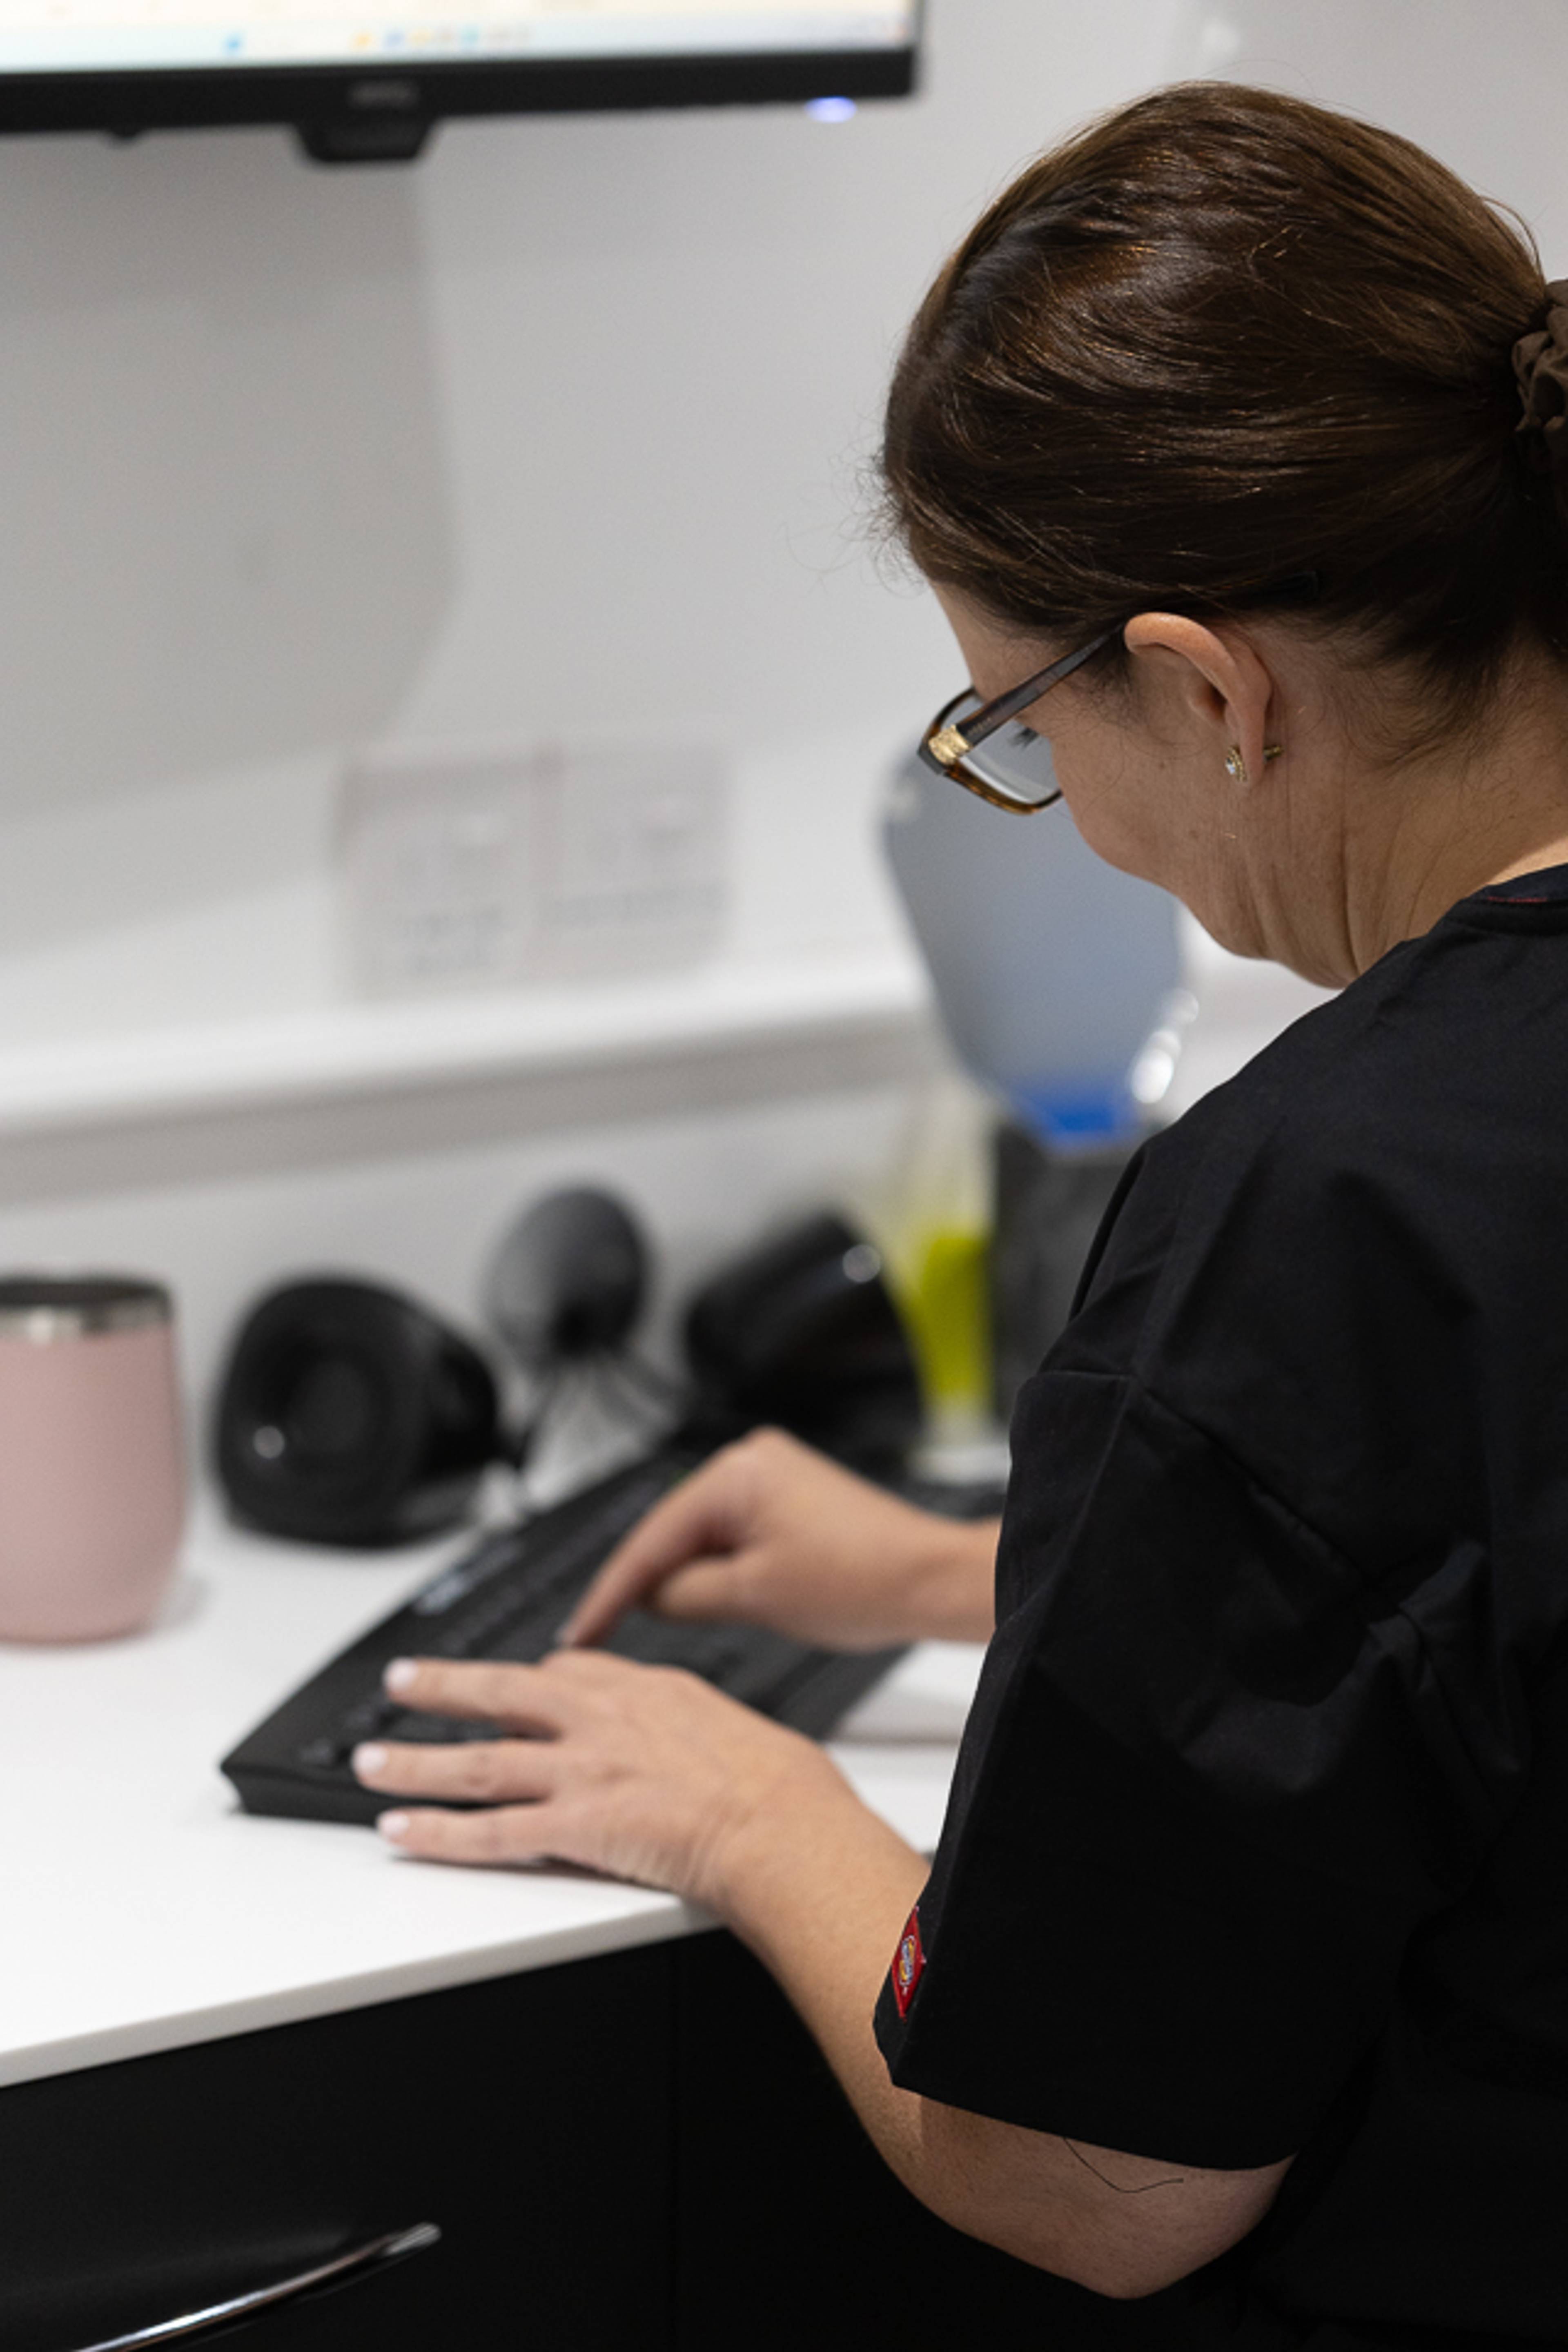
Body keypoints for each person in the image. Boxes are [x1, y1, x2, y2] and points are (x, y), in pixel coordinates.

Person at [350, 83, 1568, 2348]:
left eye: (1013, 726)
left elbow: (1097, 2181)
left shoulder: (1328, 1214)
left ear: (1209, 692)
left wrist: (748, 1812)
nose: (1057, 808)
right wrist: (964, 1572)